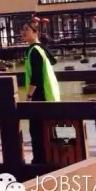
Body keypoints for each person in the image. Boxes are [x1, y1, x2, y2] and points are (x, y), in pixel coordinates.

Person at [22, 20, 61, 165]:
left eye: (27, 29)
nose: (23, 32)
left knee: (37, 130)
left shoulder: (34, 51)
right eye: (22, 29)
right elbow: (53, 60)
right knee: (48, 129)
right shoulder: (41, 48)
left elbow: (36, 77)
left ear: (35, 32)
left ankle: (39, 161)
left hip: (40, 95)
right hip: (50, 94)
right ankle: (53, 158)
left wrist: (29, 96)